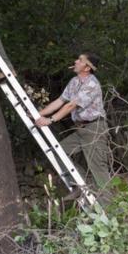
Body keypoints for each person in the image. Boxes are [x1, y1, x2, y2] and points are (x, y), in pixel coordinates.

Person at [35, 52, 110, 200]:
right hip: (81, 130)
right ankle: (81, 185)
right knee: (58, 153)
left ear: (87, 67)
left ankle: (113, 213)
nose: (75, 61)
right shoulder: (74, 81)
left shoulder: (91, 84)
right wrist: (38, 115)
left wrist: (50, 120)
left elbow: (71, 105)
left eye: (80, 60)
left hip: (94, 129)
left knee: (98, 171)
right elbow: (60, 101)